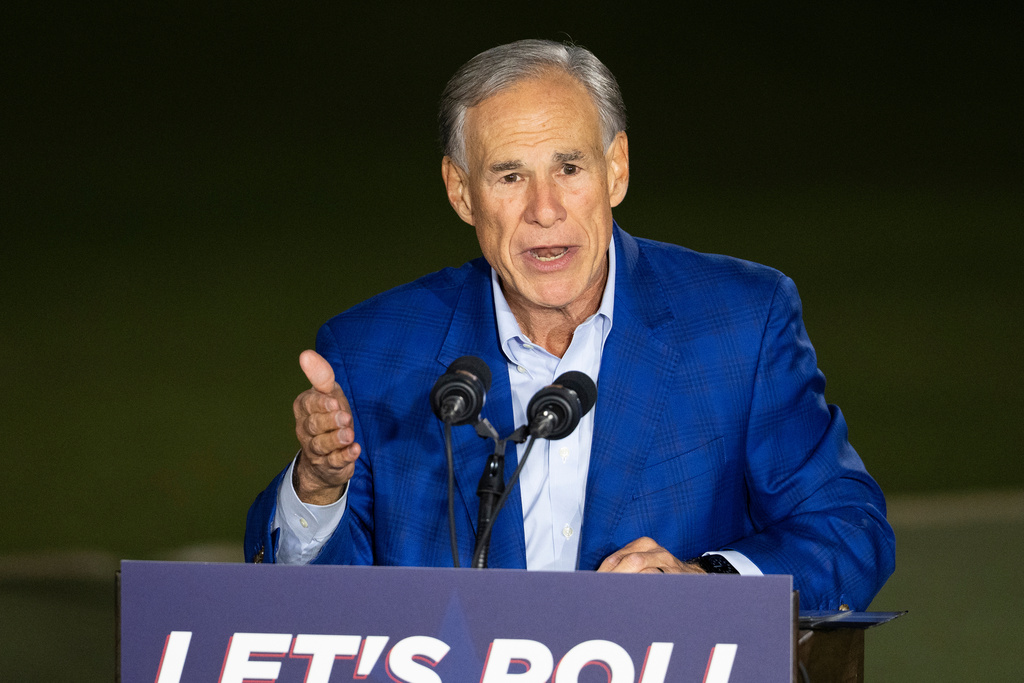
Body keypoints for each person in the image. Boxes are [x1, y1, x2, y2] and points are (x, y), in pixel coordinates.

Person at [245, 39, 895, 611]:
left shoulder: (741, 322)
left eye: (569, 168)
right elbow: (309, 610)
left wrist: (705, 584)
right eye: (509, 175)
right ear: (461, 191)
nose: (545, 208)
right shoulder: (371, 354)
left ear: (617, 169)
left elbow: (847, 526)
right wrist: (317, 488)